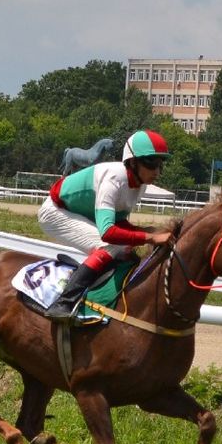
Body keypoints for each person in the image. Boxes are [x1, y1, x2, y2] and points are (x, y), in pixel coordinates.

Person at [37, 129, 174, 320]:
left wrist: (148, 231)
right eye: (151, 164)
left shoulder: (138, 184)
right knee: (108, 246)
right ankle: (64, 302)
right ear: (132, 162)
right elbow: (108, 232)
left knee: (125, 250)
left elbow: (120, 223)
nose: (157, 172)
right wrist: (150, 237)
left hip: (78, 212)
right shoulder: (115, 178)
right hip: (55, 212)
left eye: (161, 165)